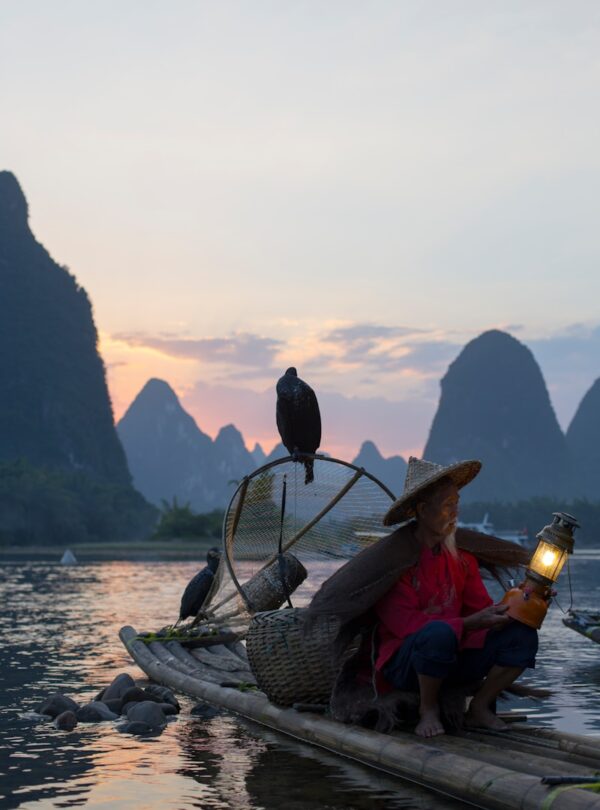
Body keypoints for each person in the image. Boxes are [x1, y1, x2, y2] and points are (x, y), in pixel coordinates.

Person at [305, 456, 535, 737]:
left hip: (452, 655)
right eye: (448, 505)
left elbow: (482, 609)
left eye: (457, 503)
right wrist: (470, 623)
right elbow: (408, 625)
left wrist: (519, 601)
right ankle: (428, 710)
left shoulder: (461, 558)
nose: (455, 513)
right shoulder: (395, 562)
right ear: (424, 510)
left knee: (521, 635)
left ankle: (479, 707)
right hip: (407, 663)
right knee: (437, 634)